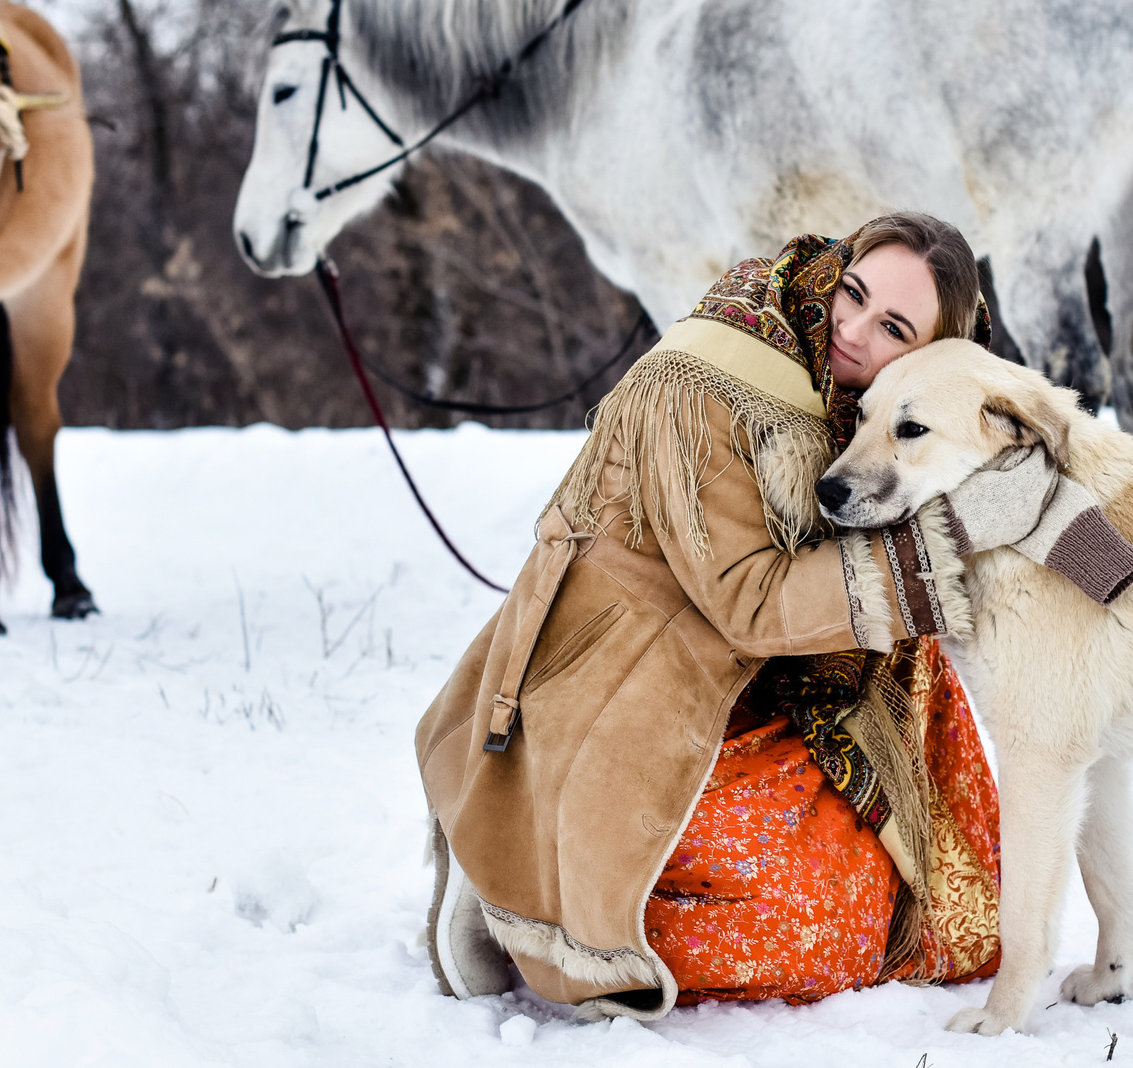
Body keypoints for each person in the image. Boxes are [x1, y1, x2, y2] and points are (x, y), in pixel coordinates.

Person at [417, 214, 1049, 1018]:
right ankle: (514, 862)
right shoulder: (722, 378)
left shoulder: (871, 399)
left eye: (891, 327)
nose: (852, 329)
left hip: (731, 686)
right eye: (852, 292)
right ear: (837, 268)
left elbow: (1046, 490)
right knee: (820, 917)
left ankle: (552, 866)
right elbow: (749, 602)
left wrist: (1107, 571)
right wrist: (926, 564)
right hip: (612, 690)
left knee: (930, 872)